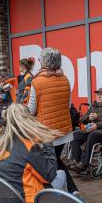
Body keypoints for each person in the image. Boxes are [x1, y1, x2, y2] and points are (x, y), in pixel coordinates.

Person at [0, 104, 70, 203]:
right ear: (28, 119)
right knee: (60, 174)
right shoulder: (28, 146)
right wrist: (48, 144)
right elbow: (49, 175)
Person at [28, 47, 78, 194]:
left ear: (44, 62)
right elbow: (68, 105)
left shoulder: (37, 82)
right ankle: (71, 190)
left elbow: (31, 110)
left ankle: (66, 192)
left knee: (52, 162)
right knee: (56, 160)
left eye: (40, 59)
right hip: (64, 130)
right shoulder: (65, 79)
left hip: (47, 132)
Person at [69, 87, 102, 174]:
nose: (98, 96)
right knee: (75, 135)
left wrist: (97, 125)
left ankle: (84, 164)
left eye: (101, 95)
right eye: (97, 95)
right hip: (92, 130)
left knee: (92, 135)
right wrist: (88, 117)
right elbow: (82, 120)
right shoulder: (94, 106)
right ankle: (75, 160)